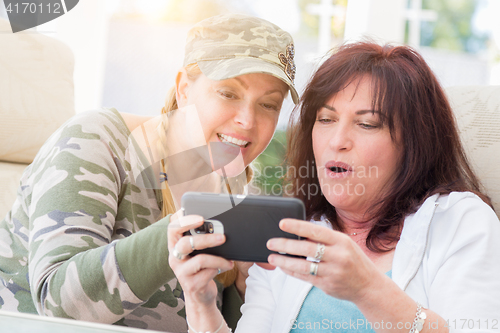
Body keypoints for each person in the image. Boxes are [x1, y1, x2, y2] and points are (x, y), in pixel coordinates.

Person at [168, 41, 500, 333]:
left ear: (414, 144)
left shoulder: (460, 221)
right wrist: (201, 304)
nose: (337, 141)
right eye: (325, 120)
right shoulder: (291, 235)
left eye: (367, 123)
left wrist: (367, 289)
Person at [0, 13, 298, 332]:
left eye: (268, 105)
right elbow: (58, 305)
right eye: (228, 93)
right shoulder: (97, 140)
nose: (247, 121)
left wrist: (241, 288)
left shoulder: (237, 197)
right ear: (184, 88)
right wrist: (176, 233)